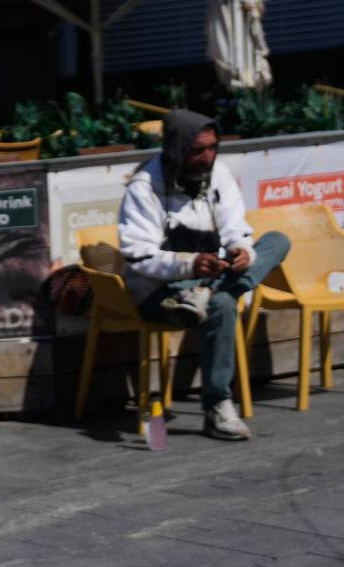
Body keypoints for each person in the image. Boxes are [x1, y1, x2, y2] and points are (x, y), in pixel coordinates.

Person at [117, 108, 291, 440]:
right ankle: (218, 408)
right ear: (176, 149)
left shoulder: (217, 173)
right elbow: (140, 256)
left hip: (210, 275)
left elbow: (235, 228)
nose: (207, 157)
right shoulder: (144, 187)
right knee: (223, 305)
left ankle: (205, 291)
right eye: (197, 150)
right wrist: (190, 265)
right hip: (160, 293)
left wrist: (242, 250)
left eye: (212, 148)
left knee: (277, 242)